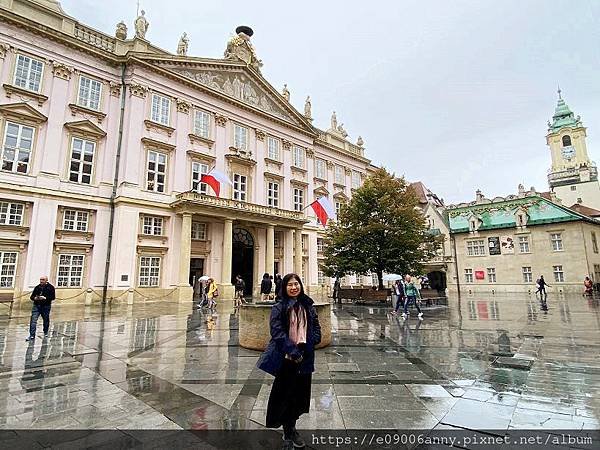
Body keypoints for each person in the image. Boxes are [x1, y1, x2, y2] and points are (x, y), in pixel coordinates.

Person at [257, 273, 321, 450]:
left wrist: (315, 339)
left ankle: (292, 427)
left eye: (297, 284)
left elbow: (315, 325)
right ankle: (287, 430)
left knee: (300, 395)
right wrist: (292, 351)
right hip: (287, 357)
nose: (294, 287)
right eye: (290, 285)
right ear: (284, 288)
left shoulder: (308, 305)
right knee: (285, 394)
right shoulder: (280, 306)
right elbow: (277, 332)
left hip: (305, 356)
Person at [26, 276, 56, 341]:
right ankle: (32, 335)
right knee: (33, 321)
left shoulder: (51, 287)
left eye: (43, 280)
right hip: (36, 306)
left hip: (46, 306)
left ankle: (45, 332)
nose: (41, 281)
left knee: (46, 320)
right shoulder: (37, 287)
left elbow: (53, 297)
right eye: (40, 279)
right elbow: (32, 297)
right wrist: (35, 298)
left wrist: (45, 298)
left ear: (46, 280)